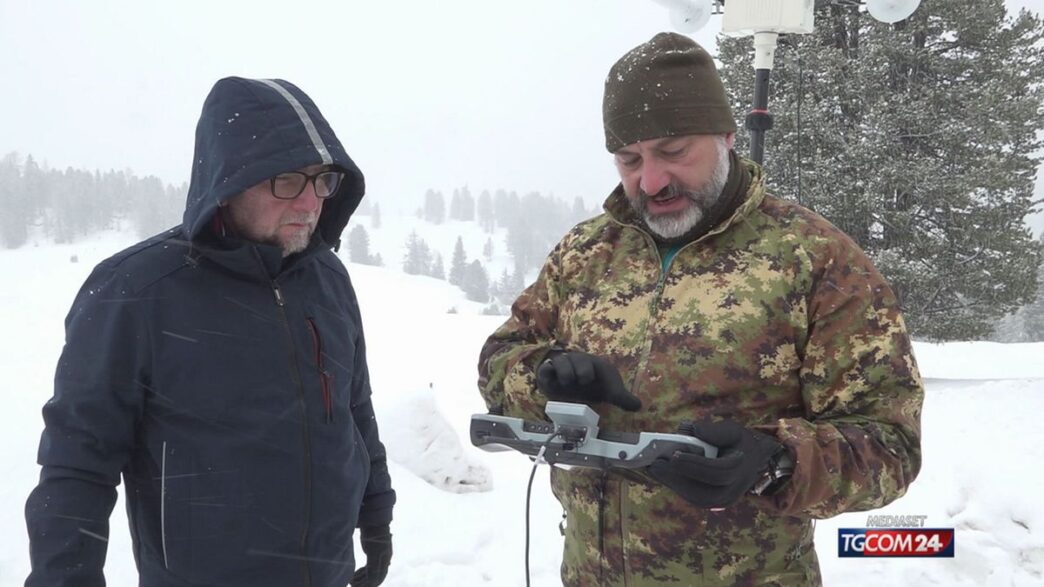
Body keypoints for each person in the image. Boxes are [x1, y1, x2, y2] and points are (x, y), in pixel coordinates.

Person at [478, 32, 923, 586]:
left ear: (727, 136)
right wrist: (543, 380)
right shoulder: (586, 253)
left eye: (673, 150)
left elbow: (890, 446)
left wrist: (775, 460)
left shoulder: (816, 259)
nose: (652, 180)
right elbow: (499, 361)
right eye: (629, 159)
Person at [25, 77, 395, 587]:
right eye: (287, 179)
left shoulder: (326, 278)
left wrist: (377, 515)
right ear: (229, 180)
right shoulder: (136, 290)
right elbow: (77, 464)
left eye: (323, 180)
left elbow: (355, 409)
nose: (311, 203)